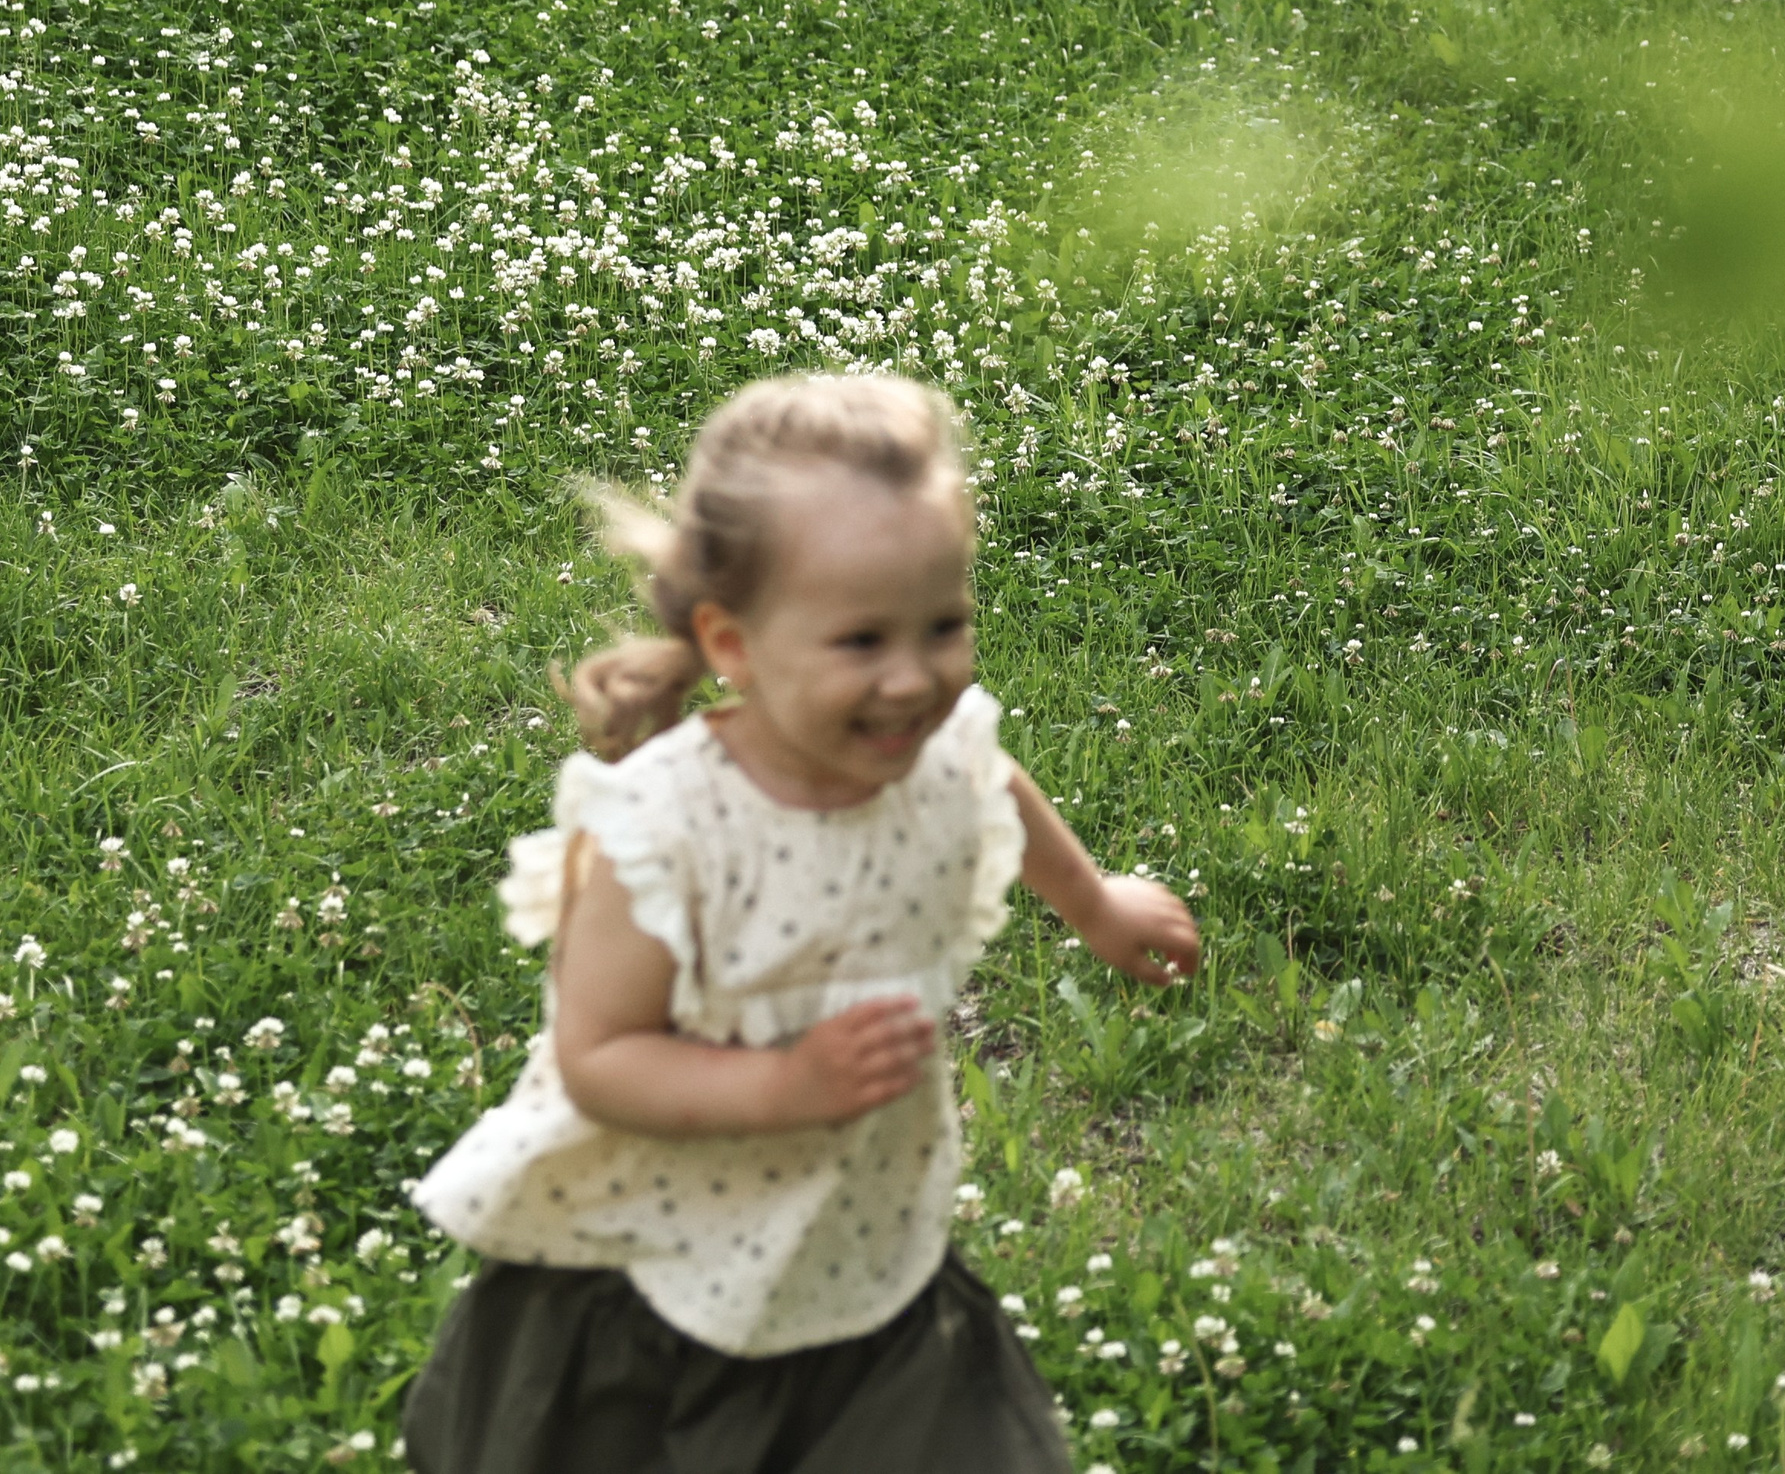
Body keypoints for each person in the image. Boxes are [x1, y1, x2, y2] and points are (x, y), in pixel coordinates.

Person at [405, 370, 1200, 1474]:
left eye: (944, 624)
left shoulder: (935, 748)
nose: (916, 679)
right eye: (861, 641)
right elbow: (598, 1056)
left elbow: (991, 776)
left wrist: (1095, 902)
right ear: (731, 643)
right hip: (659, 1264)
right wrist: (783, 1090)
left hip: (857, 1234)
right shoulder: (665, 828)